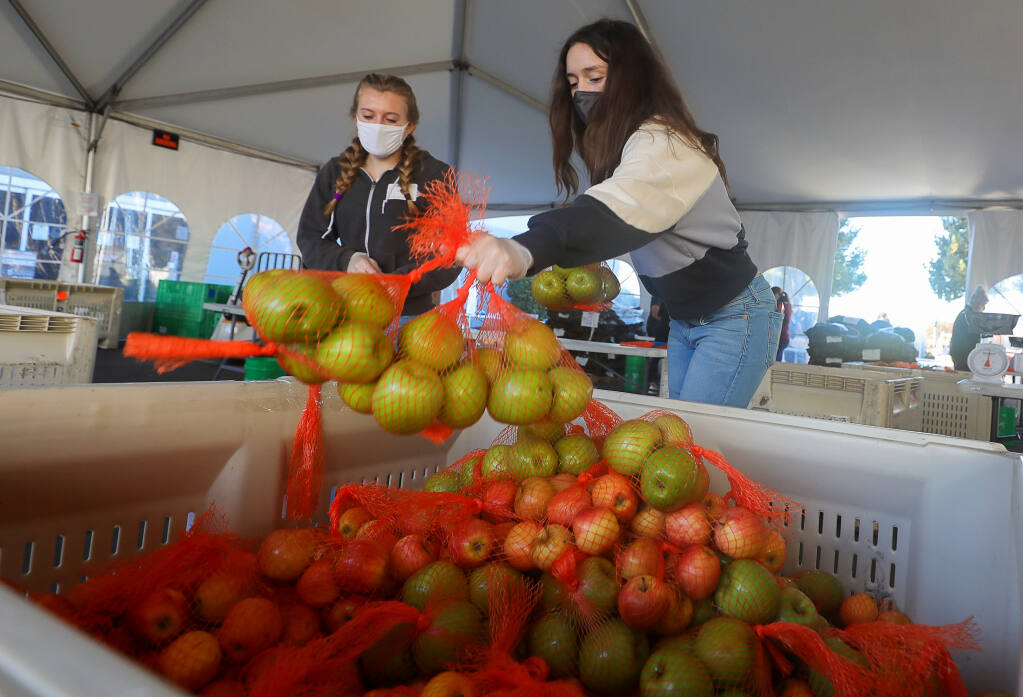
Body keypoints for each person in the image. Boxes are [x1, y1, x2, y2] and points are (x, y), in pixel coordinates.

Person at [455, 20, 782, 407]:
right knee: (681, 442)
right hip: (685, 319)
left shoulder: (664, 144)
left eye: (594, 77)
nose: (581, 93)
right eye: (574, 82)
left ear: (633, 78)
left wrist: (525, 248)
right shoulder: (630, 148)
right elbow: (627, 219)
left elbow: (615, 208)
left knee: (693, 444)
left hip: (733, 316)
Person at [296, 73, 460, 318]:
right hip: (344, 311)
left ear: (409, 126)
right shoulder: (335, 171)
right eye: (368, 116)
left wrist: (398, 282)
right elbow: (311, 237)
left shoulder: (436, 175)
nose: (378, 126)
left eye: (391, 119)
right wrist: (348, 260)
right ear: (356, 118)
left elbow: (451, 253)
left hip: (409, 317)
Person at [950, 285, 988, 371]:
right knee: (965, 379)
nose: (984, 308)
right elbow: (974, 334)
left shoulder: (965, 313)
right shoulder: (968, 315)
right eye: (983, 305)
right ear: (978, 303)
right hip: (963, 355)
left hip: (961, 353)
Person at [772, 286, 792, 361]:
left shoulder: (782, 305)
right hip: (779, 338)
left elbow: (786, 319)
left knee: (776, 361)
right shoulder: (778, 305)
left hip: (782, 339)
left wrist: (786, 303)